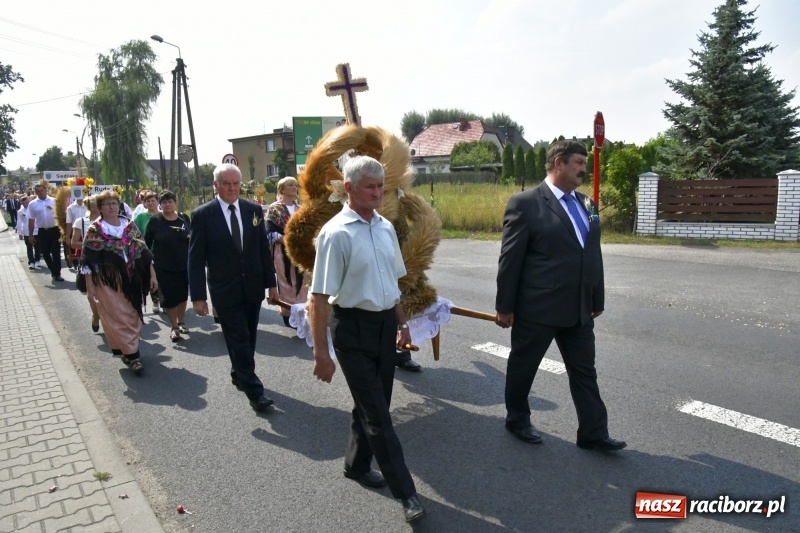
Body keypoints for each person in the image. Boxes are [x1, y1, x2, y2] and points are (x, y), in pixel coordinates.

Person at [309, 155, 425, 524]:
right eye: (369, 187)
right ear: (349, 188)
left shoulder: (385, 228)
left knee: (374, 404)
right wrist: (321, 354)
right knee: (378, 415)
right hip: (352, 330)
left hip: (383, 327)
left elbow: (391, 284)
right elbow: (318, 299)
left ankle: (356, 465)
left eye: (380, 186)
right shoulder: (335, 234)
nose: (377, 193)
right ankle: (407, 493)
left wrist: (402, 324)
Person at [495, 140, 626, 452]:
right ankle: (517, 418)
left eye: (584, 162)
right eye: (578, 162)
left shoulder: (587, 204)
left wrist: (597, 298)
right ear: (559, 164)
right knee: (524, 366)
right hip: (538, 308)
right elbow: (510, 259)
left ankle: (593, 432)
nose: (584, 169)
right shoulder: (526, 203)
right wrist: (505, 306)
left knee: (584, 372)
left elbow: (592, 254)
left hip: (579, 308)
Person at [188, 164, 279, 412]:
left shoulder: (253, 210)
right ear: (215, 185)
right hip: (224, 289)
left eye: (235, 183)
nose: (231, 188)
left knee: (248, 335)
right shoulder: (202, 215)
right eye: (226, 184)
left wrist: (272, 284)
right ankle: (255, 391)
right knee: (238, 336)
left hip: (253, 286)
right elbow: (195, 259)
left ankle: (239, 372)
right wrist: (198, 296)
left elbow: (262, 249)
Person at [81, 190, 157, 375]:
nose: (111, 207)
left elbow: (143, 252)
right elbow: (87, 261)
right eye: (107, 204)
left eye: (114, 203)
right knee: (117, 315)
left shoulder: (129, 226)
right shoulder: (95, 230)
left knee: (132, 314)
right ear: (100, 208)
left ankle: (126, 350)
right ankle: (133, 356)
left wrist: (153, 276)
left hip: (131, 277)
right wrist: (90, 287)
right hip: (107, 279)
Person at [145, 190, 191, 342]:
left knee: (182, 295)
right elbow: (146, 244)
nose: (167, 204)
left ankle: (181, 322)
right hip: (163, 266)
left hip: (183, 265)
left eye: (170, 201)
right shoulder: (155, 221)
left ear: (175, 202)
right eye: (164, 202)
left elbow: (192, 238)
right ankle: (174, 327)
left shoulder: (184, 218)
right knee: (169, 297)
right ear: (160, 204)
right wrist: (149, 266)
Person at [266, 177, 308, 327]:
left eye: (295, 185)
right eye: (290, 185)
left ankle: (301, 313)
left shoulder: (301, 209)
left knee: (302, 284)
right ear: (282, 189)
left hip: (299, 252)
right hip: (282, 252)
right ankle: (288, 314)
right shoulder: (274, 209)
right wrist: (286, 239)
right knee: (286, 283)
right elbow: (269, 231)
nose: (294, 187)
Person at [71, 195, 102, 332]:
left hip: (106, 260)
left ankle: (107, 318)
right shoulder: (81, 222)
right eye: (93, 203)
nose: (96, 206)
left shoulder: (108, 221)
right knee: (91, 294)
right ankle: (95, 315)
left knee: (107, 292)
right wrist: (91, 244)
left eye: (98, 203)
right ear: (90, 206)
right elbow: (73, 243)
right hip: (89, 260)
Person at [27, 183, 64, 283]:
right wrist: (30, 235)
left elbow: (61, 216)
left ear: (45, 190)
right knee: (45, 253)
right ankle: (53, 271)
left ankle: (57, 274)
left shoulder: (54, 201)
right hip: (42, 231)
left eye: (42, 190)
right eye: (38, 191)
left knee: (56, 253)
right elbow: (31, 220)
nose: (40, 193)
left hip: (55, 230)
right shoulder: (32, 204)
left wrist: (63, 230)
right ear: (35, 192)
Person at [134, 191, 161, 313]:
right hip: (147, 251)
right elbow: (135, 233)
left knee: (163, 276)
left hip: (162, 251)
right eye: (148, 201)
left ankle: (165, 301)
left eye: (153, 200)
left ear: (157, 201)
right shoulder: (141, 217)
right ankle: (155, 300)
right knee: (151, 276)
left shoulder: (163, 215)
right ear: (144, 203)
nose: (150, 203)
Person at [17, 195, 41, 271]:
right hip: (26, 231)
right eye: (23, 203)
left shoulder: (34, 209)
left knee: (37, 246)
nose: (25, 204)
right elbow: (19, 222)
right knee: (29, 247)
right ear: (21, 203)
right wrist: (20, 233)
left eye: (27, 202)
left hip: (36, 230)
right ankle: (31, 262)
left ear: (29, 201)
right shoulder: (20, 212)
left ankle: (37, 260)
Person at [65, 195, 87, 269]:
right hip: (75, 232)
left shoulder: (88, 206)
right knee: (75, 249)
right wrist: (67, 237)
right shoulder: (70, 208)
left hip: (86, 232)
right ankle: (76, 263)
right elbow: (69, 223)